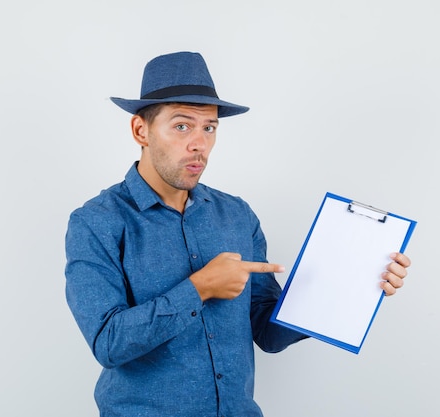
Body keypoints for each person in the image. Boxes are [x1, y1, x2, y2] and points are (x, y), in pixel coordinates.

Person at [64, 51, 411, 417]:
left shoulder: (237, 215)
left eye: (209, 127)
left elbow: (268, 333)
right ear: (141, 130)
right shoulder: (96, 222)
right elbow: (108, 342)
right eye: (182, 126)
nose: (199, 144)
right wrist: (199, 289)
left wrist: (354, 285)